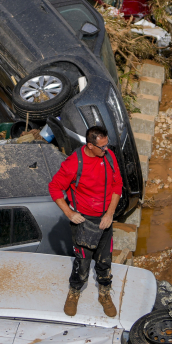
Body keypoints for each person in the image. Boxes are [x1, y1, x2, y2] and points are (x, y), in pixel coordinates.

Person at [47, 125, 122, 317]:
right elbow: (55, 188)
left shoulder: (109, 157)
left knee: (105, 261)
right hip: (84, 221)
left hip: (104, 218)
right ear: (89, 145)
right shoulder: (74, 163)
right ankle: (74, 292)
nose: (106, 150)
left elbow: (117, 185)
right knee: (82, 262)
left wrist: (110, 213)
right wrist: (70, 213)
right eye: (102, 147)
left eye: (107, 146)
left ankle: (104, 293)